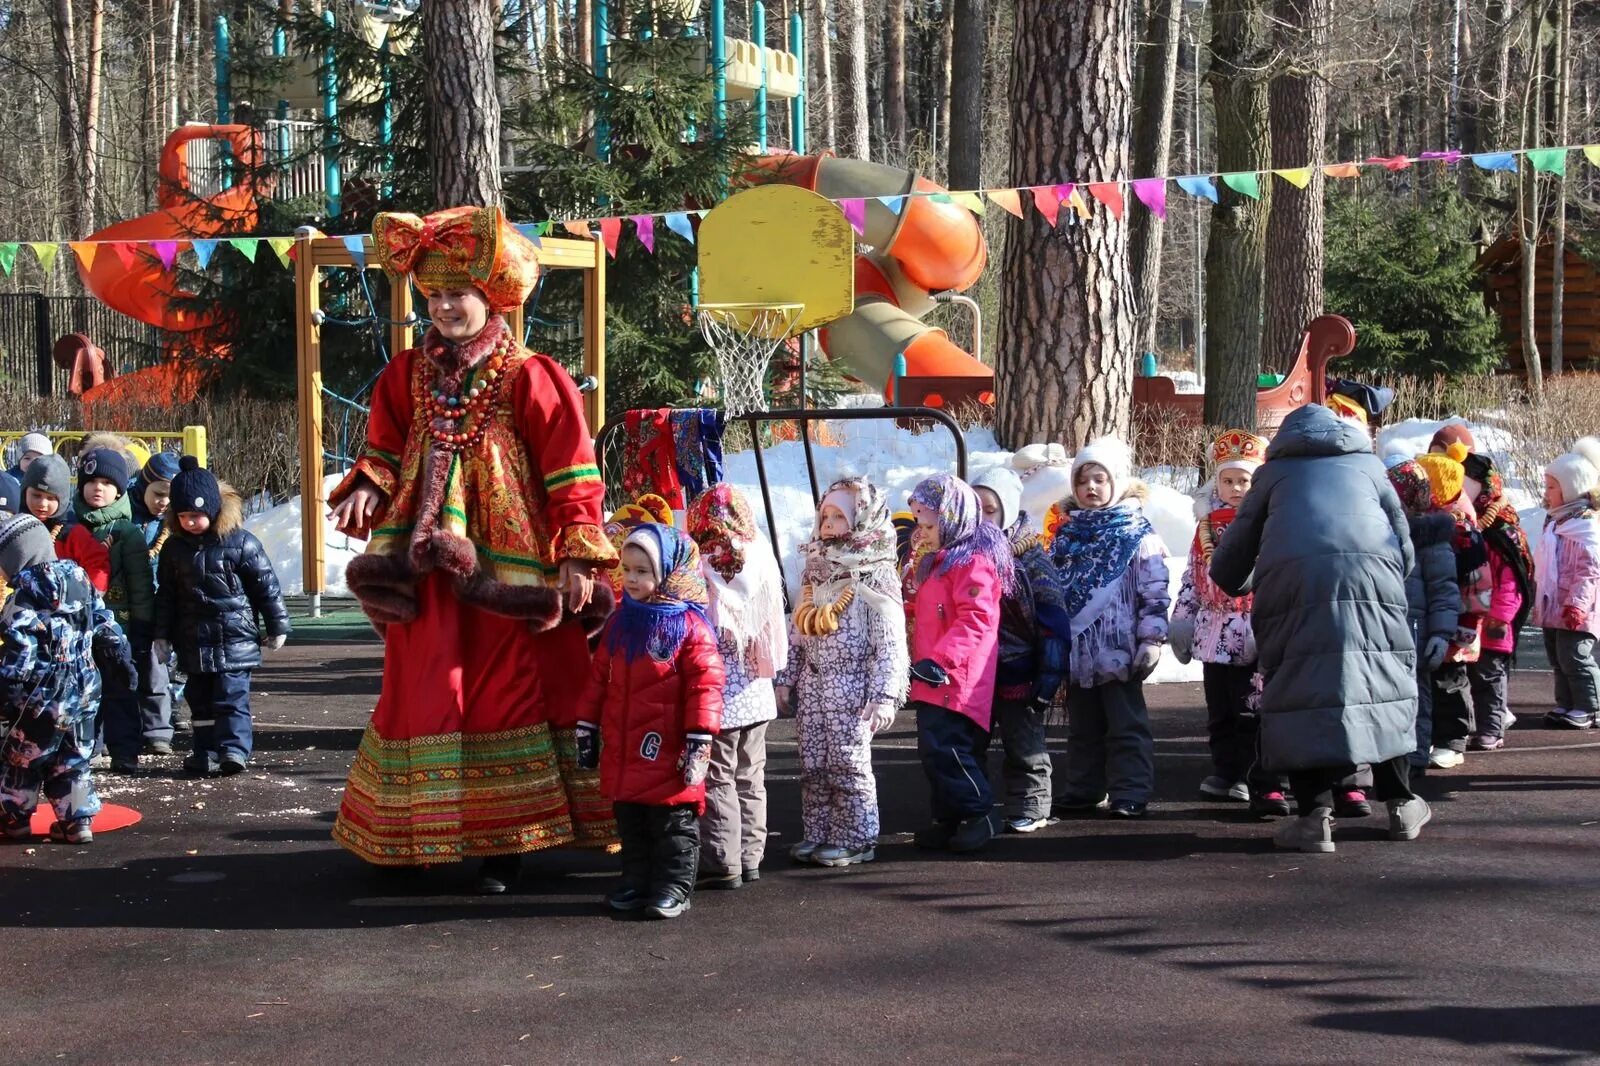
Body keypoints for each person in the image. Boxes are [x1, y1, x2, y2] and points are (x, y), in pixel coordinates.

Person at [328, 206, 617, 894]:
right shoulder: (404, 374)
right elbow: (383, 449)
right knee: (424, 690)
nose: (447, 306)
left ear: (491, 295)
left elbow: (572, 469)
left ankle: (504, 845)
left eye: (459, 293)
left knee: (506, 693)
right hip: (423, 567)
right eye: (434, 296)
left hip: (507, 570)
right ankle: (418, 836)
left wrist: (577, 551)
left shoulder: (532, 375)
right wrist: (367, 486)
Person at [1210, 404, 1431, 854]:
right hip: (1373, 587)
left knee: (1301, 692)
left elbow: (1228, 565)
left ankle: (1314, 818)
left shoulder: (1273, 475)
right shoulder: (1369, 466)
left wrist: (1258, 576)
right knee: (1381, 685)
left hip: (1292, 592)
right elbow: (1404, 546)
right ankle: (1402, 804)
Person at [577, 525, 723, 919]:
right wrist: (586, 725)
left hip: (668, 746)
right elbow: (597, 678)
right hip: (625, 746)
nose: (633, 579)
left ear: (669, 571)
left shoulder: (688, 627)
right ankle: (636, 881)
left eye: (643, 570)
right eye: (627, 569)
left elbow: (705, 685)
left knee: (671, 824)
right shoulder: (620, 622)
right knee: (632, 823)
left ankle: (672, 886)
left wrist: (699, 738)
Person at [777, 477, 907, 867]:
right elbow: (800, 629)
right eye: (825, 516)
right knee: (813, 763)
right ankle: (819, 833)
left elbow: (890, 642)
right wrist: (787, 678)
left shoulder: (875, 572)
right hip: (815, 681)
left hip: (852, 686)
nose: (829, 524)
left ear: (861, 519)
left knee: (848, 763)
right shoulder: (815, 567)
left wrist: (884, 695)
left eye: (839, 516)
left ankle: (856, 838)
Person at [1046, 439, 1169, 820]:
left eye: (1100, 479)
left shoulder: (1137, 533)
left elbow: (1155, 591)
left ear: (1115, 482)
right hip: (1079, 651)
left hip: (1120, 647)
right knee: (1083, 727)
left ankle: (1130, 791)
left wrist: (1151, 638)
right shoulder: (1066, 536)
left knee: (1126, 725)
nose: (1091, 489)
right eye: (1083, 482)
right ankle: (1084, 788)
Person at [1170, 429, 1290, 816]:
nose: (1236, 488)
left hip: (1255, 631)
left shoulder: (1269, 524)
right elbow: (1192, 579)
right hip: (1213, 633)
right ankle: (1225, 771)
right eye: (1228, 480)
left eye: (1245, 480)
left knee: (1250, 710)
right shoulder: (1204, 527)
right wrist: (1183, 621)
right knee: (1219, 709)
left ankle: (1254, 774)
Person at [0, 513, 133, 845]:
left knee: (22, 757)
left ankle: (14, 818)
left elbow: (22, 645)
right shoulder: (81, 580)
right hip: (85, 687)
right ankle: (76, 823)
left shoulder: (23, 597)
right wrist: (119, 655)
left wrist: (8, 686)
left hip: (39, 694)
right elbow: (103, 619)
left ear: (14, 558)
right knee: (73, 757)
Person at [154, 457, 290, 777]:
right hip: (193, 640)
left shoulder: (241, 543)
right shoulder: (174, 550)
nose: (191, 522)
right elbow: (166, 596)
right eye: (185, 516)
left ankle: (234, 748)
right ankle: (204, 749)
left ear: (214, 511)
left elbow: (266, 587)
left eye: (197, 516)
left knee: (231, 697)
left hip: (235, 639)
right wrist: (161, 635)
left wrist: (277, 625)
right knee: (199, 699)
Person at [687, 484, 786, 889]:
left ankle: (723, 859)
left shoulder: (704, 565)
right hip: (756, 694)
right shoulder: (761, 556)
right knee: (751, 776)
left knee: (718, 778)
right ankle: (751, 856)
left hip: (720, 699)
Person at [906, 473, 1009, 852]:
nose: (923, 531)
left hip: (956, 680)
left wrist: (942, 660)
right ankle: (948, 818)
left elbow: (977, 619)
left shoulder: (972, 562)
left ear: (953, 518)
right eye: (919, 522)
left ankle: (980, 813)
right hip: (933, 677)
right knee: (934, 751)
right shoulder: (939, 561)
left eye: (930, 524)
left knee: (949, 749)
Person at [972, 466, 1067, 833]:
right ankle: (973, 802)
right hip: (974, 669)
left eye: (990, 510)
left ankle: (1031, 801)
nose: (982, 519)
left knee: (1023, 740)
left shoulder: (1028, 556)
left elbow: (1052, 616)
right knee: (971, 741)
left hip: (1018, 666)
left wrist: (1050, 671)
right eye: (975, 509)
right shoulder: (960, 551)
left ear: (1008, 509)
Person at [61, 447, 160, 773]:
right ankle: (91, 748)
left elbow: (141, 585)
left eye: (106, 482)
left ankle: (125, 751)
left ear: (119, 489)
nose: (98, 488)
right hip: (77, 630)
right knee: (85, 692)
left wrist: (143, 626)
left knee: (120, 690)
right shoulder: (68, 528)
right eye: (91, 481)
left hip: (120, 626)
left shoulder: (126, 533)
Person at [1414, 443, 1495, 769]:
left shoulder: (1462, 530)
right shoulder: (1429, 523)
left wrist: (1468, 621)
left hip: (1460, 618)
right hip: (1437, 615)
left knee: (1452, 679)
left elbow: (1478, 582)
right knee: (1436, 678)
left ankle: (1454, 739)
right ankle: (1436, 733)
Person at [1383, 456, 1460, 775]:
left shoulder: (1430, 539)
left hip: (1416, 634)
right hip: (1382, 631)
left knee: (1417, 697)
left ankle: (1415, 753)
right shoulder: (1378, 533)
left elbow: (1445, 591)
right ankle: (1386, 753)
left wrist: (1441, 635)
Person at [1461, 451, 1535, 746]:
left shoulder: (1502, 529)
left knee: (1490, 673)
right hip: (1473, 611)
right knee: (1471, 672)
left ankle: (1491, 728)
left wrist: (1498, 617)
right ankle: (1478, 725)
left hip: (1496, 616)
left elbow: (1513, 581)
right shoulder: (1469, 523)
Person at [1534, 438, 1600, 729]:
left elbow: (1590, 570)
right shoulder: (1557, 520)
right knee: (1558, 657)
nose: (1546, 493)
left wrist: (1577, 604)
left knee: (1575, 656)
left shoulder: (1586, 525)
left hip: (1577, 605)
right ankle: (1568, 703)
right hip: (1554, 602)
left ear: (1571, 488)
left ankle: (1592, 706)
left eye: (1552, 487)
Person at [130, 452, 183, 734]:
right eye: (158, 493)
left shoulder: (176, 519)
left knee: (167, 658)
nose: (163, 502)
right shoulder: (125, 511)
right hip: (131, 596)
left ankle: (170, 708)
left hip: (162, 594)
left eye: (170, 497)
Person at [22, 455, 110, 593]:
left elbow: (97, 565)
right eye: (36, 495)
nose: (42, 504)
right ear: (24, 492)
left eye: (50, 498)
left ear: (62, 500)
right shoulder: (17, 528)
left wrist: (90, 599)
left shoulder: (72, 532)